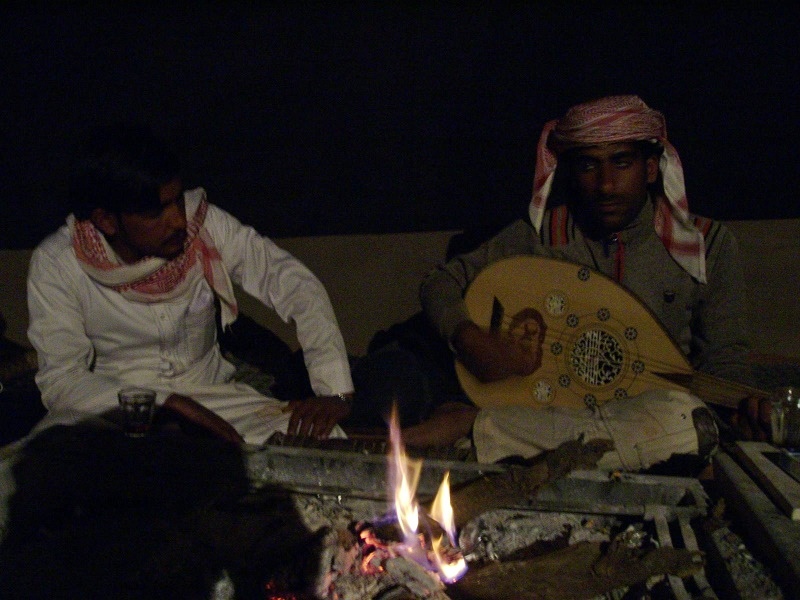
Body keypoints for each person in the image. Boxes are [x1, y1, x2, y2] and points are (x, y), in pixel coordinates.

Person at [401, 95, 762, 470]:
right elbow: (440, 282)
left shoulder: (706, 245)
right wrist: (468, 338)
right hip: (556, 409)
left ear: (651, 168)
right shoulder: (544, 235)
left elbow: (725, 359)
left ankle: (480, 428)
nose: (605, 185)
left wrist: (740, 412)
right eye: (589, 166)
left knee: (687, 424)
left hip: (652, 424)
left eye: (621, 163)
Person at [24, 123, 355, 445]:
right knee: (33, 471)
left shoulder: (204, 225)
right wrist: (167, 403)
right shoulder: (58, 263)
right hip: (114, 409)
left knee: (323, 440)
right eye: (156, 211)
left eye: (177, 201)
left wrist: (334, 390)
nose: (179, 221)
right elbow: (63, 382)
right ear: (107, 220)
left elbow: (293, 283)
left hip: (216, 401)